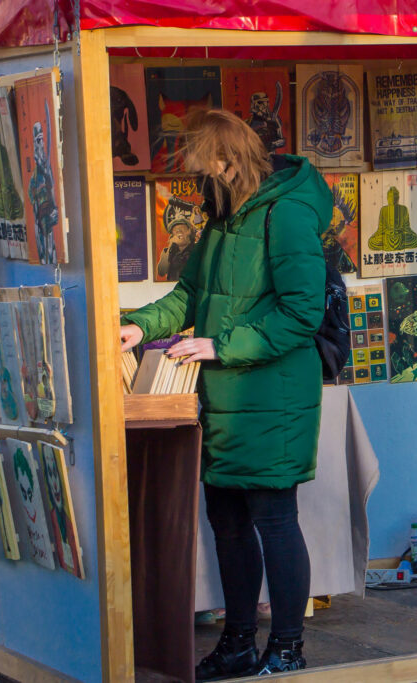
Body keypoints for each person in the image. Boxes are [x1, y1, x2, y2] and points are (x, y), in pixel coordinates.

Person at [119, 108, 332, 679]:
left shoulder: (286, 214)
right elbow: (190, 294)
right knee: (228, 522)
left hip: (273, 399)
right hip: (225, 402)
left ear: (227, 162)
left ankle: (286, 649)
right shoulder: (223, 216)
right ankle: (238, 642)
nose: (194, 182)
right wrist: (139, 326)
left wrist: (220, 346)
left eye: (200, 169)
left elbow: (302, 312)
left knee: (274, 520)